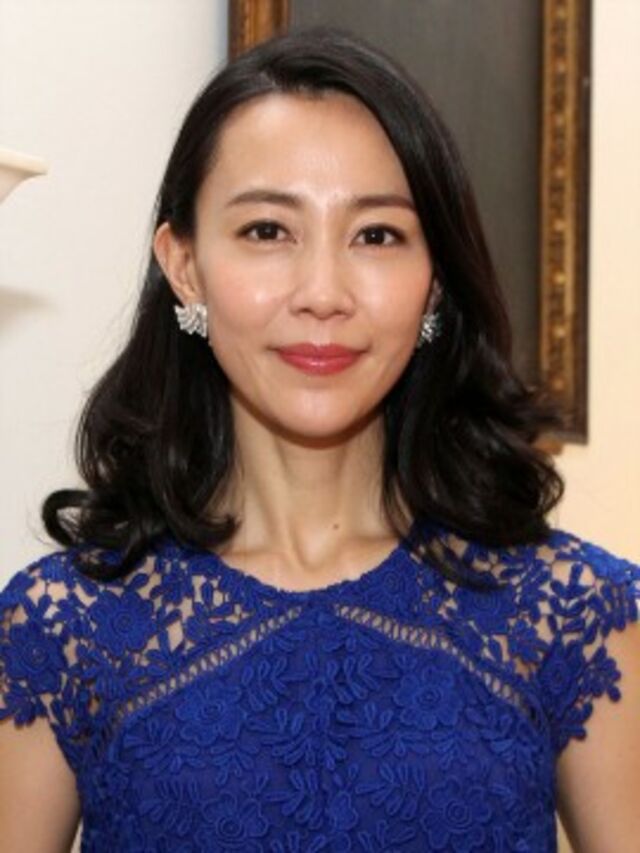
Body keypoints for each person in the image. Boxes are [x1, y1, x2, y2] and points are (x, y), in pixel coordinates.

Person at [1, 25, 639, 852]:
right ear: (184, 266)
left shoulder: (577, 618)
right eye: (268, 230)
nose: (323, 292)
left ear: (433, 280)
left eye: (377, 235)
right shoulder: (62, 630)